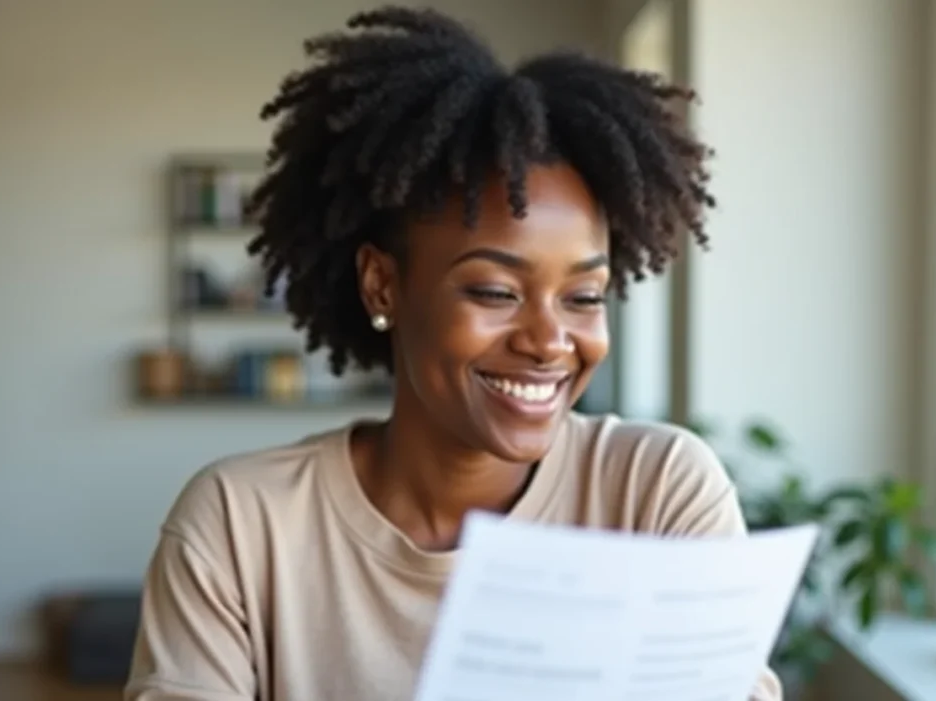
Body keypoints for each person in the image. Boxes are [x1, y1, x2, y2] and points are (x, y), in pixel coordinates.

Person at [124, 6, 781, 701]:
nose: (549, 341)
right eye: (496, 291)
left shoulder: (657, 494)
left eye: (583, 297)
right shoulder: (240, 523)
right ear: (384, 283)